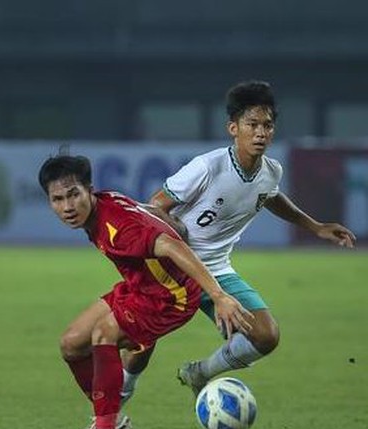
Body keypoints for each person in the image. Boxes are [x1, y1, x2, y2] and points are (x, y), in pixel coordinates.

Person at [124, 80, 357, 400]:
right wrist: (178, 227)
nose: (261, 132)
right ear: (233, 128)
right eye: (252, 124)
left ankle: (200, 373)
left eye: (268, 125)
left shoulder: (271, 171)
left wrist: (315, 226)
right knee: (142, 345)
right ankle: (111, 415)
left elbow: (270, 196)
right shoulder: (207, 166)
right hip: (173, 266)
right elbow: (155, 205)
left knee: (266, 335)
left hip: (217, 270)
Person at [38, 154, 253, 429]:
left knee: (104, 335)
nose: (68, 207)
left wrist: (218, 295)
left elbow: (172, 245)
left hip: (169, 297)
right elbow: (151, 212)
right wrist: (174, 223)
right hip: (140, 286)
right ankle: (112, 420)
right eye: (57, 199)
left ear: (89, 189)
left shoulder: (118, 227)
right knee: (71, 344)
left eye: (74, 195)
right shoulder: (104, 204)